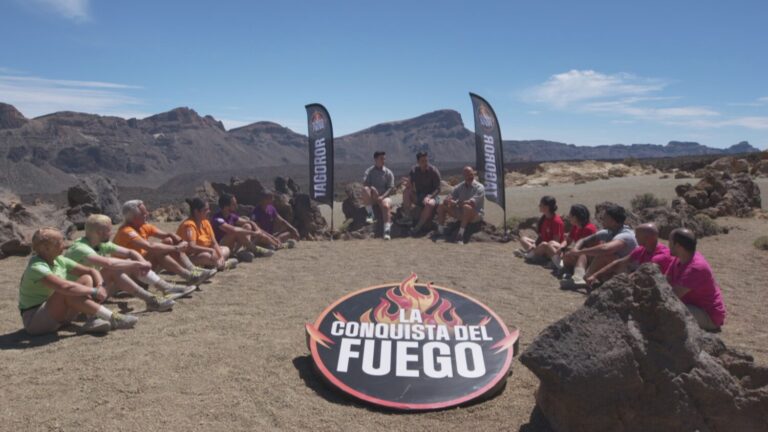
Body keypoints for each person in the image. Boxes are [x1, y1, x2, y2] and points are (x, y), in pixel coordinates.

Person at [18, 228, 138, 335]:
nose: (64, 245)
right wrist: (95, 291)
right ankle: (112, 317)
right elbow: (65, 287)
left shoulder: (59, 260)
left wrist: (101, 285)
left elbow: (91, 271)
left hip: (57, 314)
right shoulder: (37, 267)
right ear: (45, 248)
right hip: (36, 322)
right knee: (66, 291)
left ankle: (92, 319)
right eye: (59, 243)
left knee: (86, 278)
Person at [64, 214, 179, 312]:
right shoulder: (80, 248)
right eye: (109, 230)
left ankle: (164, 287)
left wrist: (142, 262)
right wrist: (138, 264)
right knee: (114, 269)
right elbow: (109, 263)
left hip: (97, 289)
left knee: (128, 263)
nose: (111, 232)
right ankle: (152, 300)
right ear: (100, 232)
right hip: (79, 295)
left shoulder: (99, 243)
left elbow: (130, 252)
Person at [114, 200, 216, 285]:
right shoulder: (126, 231)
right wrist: (176, 248)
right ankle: (189, 275)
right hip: (131, 274)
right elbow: (150, 246)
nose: (147, 214)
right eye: (143, 213)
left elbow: (167, 235)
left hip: (144, 266)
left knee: (168, 241)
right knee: (156, 251)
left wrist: (179, 241)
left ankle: (193, 270)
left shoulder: (143, 226)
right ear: (133, 217)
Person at [665, 228, 726, 331]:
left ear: (678, 246)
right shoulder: (680, 258)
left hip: (708, 315)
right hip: (692, 306)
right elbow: (665, 280)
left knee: (668, 312)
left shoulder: (696, 268)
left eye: (670, 242)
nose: (668, 245)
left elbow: (673, 295)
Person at [563, 204, 637, 288]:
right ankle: (578, 277)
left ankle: (586, 279)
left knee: (605, 254)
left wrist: (579, 252)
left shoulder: (625, 235)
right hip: (612, 267)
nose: (602, 220)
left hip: (627, 270)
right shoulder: (609, 231)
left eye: (605, 218)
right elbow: (583, 240)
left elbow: (605, 249)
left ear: (613, 221)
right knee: (584, 252)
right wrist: (576, 249)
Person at [585, 223, 674, 286]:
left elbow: (640, 275)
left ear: (646, 238)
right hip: (642, 278)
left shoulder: (659, 256)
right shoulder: (642, 249)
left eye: (637, 235)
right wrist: (595, 275)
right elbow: (619, 262)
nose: (635, 237)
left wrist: (617, 284)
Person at [177, 198, 238, 271]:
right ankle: (223, 264)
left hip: (207, 252)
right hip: (190, 256)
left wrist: (221, 256)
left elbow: (214, 242)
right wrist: (210, 250)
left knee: (226, 249)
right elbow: (192, 246)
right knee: (206, 256)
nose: (209, 211)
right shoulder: (189, 225)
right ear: (196, 212)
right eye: (205, 210)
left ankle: (217, 263)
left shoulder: (206, 222)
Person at [211, 193, 278, 257]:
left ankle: (246, 249)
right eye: (233, 204)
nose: (236, 206)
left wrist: (257, 230)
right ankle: (254, 249)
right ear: (226, 207)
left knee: (247, 226)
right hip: (222, 246)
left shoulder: (231, 216)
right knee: (235, 232)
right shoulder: (217, 219)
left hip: (233, 245)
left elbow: (249, 222)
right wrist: (253, 233)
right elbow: (233, 230)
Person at [436, 166, 484, 243]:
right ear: (464, 176)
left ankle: (460, 235)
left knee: (467, 207)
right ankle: (440, 232)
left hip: (475, 215)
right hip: (461, 212)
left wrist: (456, 203)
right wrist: (448, 200)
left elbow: (471, 203)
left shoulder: (479, 187)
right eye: (467, 175)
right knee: (442, 206)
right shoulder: (460, 186)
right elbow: (451, 195)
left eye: (471, 174)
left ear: (473, 175)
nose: (469, 177)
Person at [401, 151, 442, 235]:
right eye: (422, 161)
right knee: (406, 192)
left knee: (429, 204)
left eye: (426, 160)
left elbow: (438, 189)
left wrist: (430, 196)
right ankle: (408, 218)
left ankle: (418, 227)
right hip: (419, 196)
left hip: (433, 196)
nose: (425, 163)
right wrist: (407, 183)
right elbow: (410, 184)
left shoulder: (433, 171)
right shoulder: (414, 170)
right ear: (418, 162)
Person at [515, 196, 565, 263]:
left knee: (544, 244)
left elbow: (556, 242)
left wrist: (540, 246)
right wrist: (535, 245)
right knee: (523, 239)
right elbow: (541, 236)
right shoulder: (544, 218)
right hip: (542, 245)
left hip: (550, 249)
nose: (539, 206)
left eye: (541, 205)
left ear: (547, 207)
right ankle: (533, 253)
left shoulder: (556, 221)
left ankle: (528, 255)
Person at [361, 151, 396, 240]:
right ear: (375, 159)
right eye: (381, 159)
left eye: (384, 159)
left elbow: (390, 188)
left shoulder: (388, 173)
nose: (383, 160)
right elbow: (365, 183)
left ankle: (387, 231)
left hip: (384, 196)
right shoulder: (369, 171)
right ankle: (370, 214)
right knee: (365, 189)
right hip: (372, 196)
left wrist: (382, 196)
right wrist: (372, 189)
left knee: (386, 206)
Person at [555, 204, 598, 272]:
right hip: (578, 252)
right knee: (556, 247)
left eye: (570, 215)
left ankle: (571, 270)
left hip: (588, 257)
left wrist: (567, 252)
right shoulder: (576, 226)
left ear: (575, 217)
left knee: (566, 255)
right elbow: (568, 240)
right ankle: (560, 266)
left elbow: (586, 249)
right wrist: (562, 247)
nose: (569, 217)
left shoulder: (588, 229)